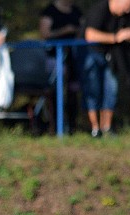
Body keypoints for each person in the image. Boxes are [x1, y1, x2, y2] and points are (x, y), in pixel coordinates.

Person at [82, 0, 130, 136]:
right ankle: (94, 128)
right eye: (128, 5)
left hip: (110, 56)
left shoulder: (123, 15)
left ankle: (106, 127)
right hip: (91, 54)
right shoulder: (100, 9)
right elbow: (89, 35)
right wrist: (115, 37)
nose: (128, 10)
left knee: (111, 90)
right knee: (93, 90)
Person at [39, 0, 84, 134]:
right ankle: (54, 126)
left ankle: (72, 126)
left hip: (73, 58)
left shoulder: (76, 10)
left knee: (73, 92)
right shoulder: (49, 11)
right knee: (54, 93)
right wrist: (64, 30)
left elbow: (84, 29)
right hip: (54, 58)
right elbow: (44, 34)